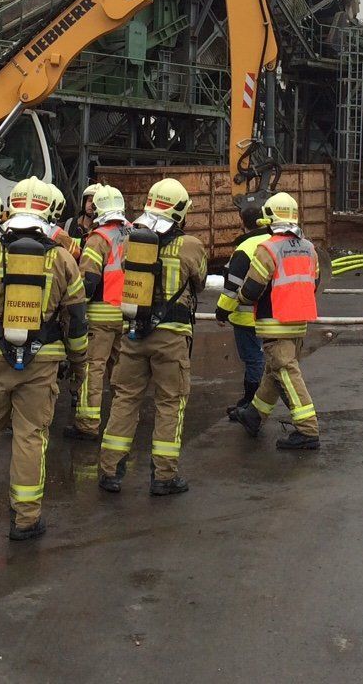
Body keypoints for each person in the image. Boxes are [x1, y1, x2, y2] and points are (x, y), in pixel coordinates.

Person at [0, 178, 87, 541]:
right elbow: (77, 319)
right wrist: (79, 362)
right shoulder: (61, 259)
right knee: (30, 437)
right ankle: (25, 519)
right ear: (48, 212)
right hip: (41, 366)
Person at [97, 178, 207, 497]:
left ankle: (109, 470)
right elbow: (199, 281)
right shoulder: (190, 246)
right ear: (180, 211)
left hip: (132, 332)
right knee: (170, 402)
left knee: (125, 399)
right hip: (171, 336)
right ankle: (164, 476)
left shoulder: (130, 240)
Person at [232, 191, 322, 450]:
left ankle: (308, 429)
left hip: (274, 321)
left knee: (286, 373)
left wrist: (239, 299)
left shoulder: (268, 248)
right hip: (298, 322)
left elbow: (251, 290)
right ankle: (254, 416)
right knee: (275, 371)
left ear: (269, 219)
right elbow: (312, 283)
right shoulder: (308, 248)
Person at [65, 184, 129, 440]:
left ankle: (88, 424)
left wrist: (75, 308)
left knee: (93, 369)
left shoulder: (97, 238)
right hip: (126, 313)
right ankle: (121, 423)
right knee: (120, 372)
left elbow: (88, 282)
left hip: (101, 315)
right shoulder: (133, 232)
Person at [214, 198, 270, 419]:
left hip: (247, 317)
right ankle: (252, 402)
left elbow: (232, 287)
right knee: (265, 359)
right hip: (274, 313)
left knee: (253, 359)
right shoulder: (273, 240)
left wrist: (221, 312)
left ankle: (251, 404)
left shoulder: (245, 248)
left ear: (243, 223)